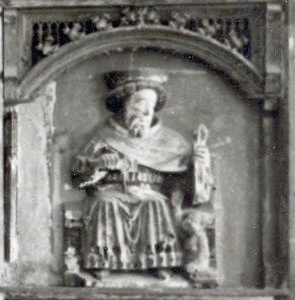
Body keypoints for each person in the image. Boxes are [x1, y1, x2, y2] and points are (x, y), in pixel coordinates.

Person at [71, 69, 213, 281]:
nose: (146, 112)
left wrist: (200, 163)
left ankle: (158, 261)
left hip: (150, 191)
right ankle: (105, 260)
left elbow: (190, 185)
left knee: (155, 203)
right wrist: (99, 164)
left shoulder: (171, 140)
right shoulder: (104, 137)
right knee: (104, 203)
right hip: (112, 189)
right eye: (139, 105)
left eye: (151, 107)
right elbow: (79, 172)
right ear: (124, 106)